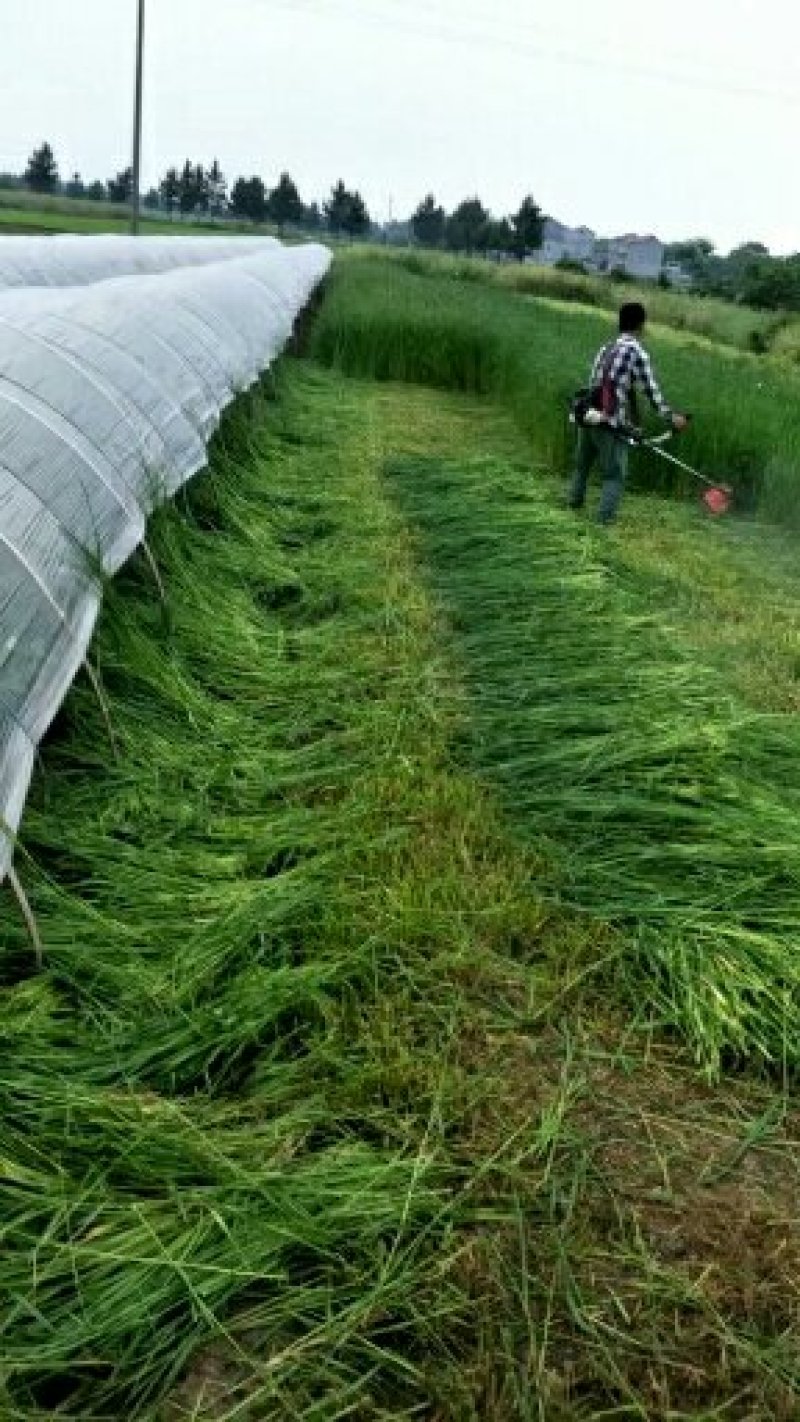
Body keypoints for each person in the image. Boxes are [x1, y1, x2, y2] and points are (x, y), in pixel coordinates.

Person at [569, 302, 688, 525]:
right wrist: (672, 417)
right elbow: (651, 392)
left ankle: (573, 506)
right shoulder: (636, 352)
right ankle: (603, 524)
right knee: (614, 475)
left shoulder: (606, 348)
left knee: (582, 466)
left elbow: (601, 384)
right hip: (609, 423)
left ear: (620, 322)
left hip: (587, 414)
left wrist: (634, 421)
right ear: (641, 325)